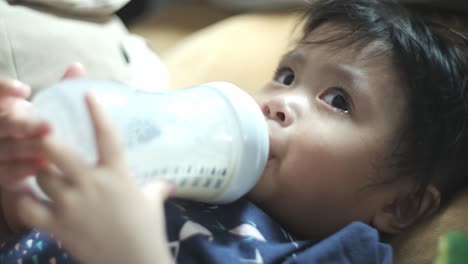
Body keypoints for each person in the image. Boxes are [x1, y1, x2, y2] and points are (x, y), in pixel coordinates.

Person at [0, 0, 467, 263]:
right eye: (286, 76)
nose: (279, 102)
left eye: (338, 101)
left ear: (401, 205)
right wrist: (28, 189)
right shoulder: (185, 170)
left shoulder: (339, 256)